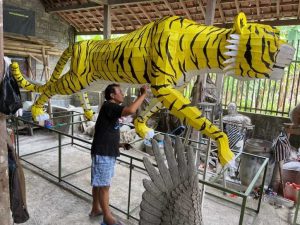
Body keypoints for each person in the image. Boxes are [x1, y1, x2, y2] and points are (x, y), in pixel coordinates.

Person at [90, 83, 148, 225]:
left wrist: (119, 144)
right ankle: (107, 218)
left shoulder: (110, 109)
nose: (122, 94)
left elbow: (106, 132)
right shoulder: (110, 105)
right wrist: (144, 95)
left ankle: (96, 209)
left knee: (99, 183)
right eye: (119, 92)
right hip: (103, 153)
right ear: (112, 95)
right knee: (104, 186)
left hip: (105, 150)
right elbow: (131, 110)